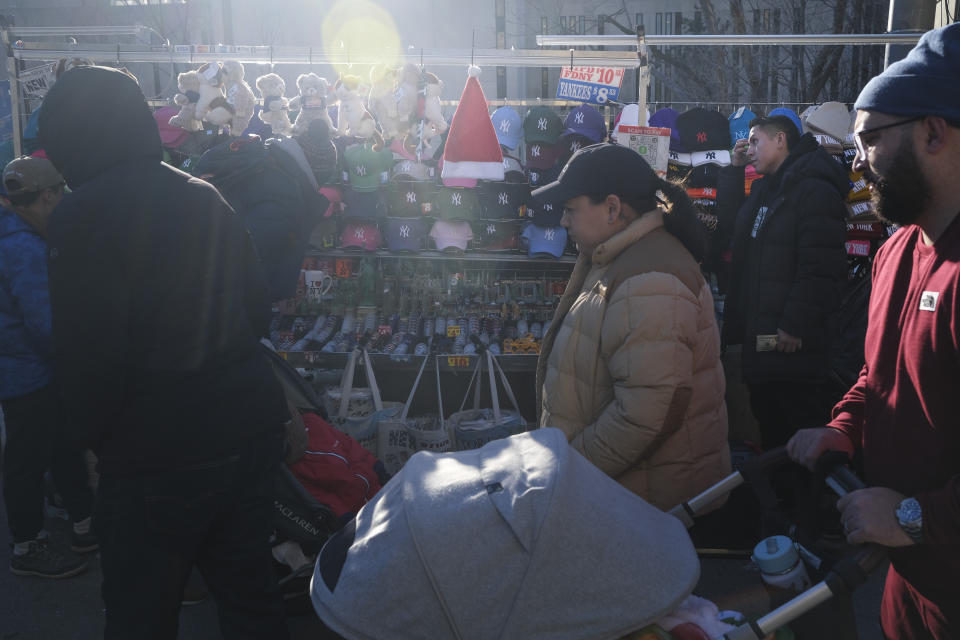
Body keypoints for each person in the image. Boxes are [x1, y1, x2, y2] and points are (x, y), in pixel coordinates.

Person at [37, 66, 290, 638]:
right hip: (247, 426)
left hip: (155, 448)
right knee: (250, 596)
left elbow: (88, 349)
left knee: (141, 609)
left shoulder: (82, 214)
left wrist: (89, 440)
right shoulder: (201, 193)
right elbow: (256, 308)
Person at [787, 23, 960, 640]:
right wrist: (843, 428)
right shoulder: (897, 250)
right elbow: (881, 375)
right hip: (906, 578)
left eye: (868, 140)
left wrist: (913, 516)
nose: (857, 161)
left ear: (933, 131)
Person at [533, 143, 730, 512]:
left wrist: (572, 470)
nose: (563, 222)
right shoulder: (621, 257)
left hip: (650, 508)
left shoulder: (651, 278)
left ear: (612, 208)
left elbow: (646, 413)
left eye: (571, 210)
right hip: (632, 498)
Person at [716, 114, 848, 449]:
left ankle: (803, 501)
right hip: (765, 346)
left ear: (780, 140)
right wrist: (733, 170)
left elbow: (821, 264)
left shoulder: (813, 190)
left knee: (795, 437)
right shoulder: (766, 188)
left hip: (792, 352)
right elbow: (733, 224)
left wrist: (795, 324)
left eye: (756, 140)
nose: (750, 149)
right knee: (772, 433)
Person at [0, 156, 96, 579]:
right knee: (27, 458)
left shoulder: (16, 232)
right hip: (27, 371)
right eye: (60, 194)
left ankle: (84, 524)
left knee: (62, 443)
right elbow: (46, 324)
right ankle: (26, 545)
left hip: (31, 367)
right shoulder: (22, 247)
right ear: (48, 195)